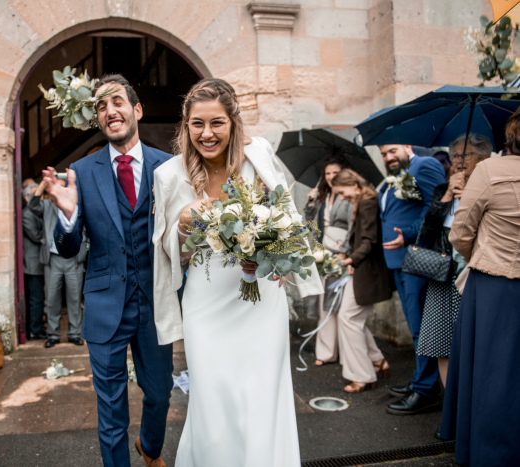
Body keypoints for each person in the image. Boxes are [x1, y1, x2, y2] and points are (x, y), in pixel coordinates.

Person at [153, 78, 323, 466]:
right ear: (185, 125)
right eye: (197, 124)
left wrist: (268, 252)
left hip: (260, 297)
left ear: (233, 123)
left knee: (261, 394)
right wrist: (182, 222)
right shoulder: (168, 175)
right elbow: (169, 256)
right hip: (206, 301)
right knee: (212, 396)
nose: (207, 134)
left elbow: (286, 220)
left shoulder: (258, 156)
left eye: (217, 123)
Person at [43, 74, 174, 467]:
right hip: (104, 305)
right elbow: (68, 249)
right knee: (112, 408)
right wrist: (67, 218)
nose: (109, 111)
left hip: (155, 303)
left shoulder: (168, 167)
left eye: (116, 102)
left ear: (136, 110)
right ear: (97, 119)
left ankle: (149, 449)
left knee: (160, 393)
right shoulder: (81, 171)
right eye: (100, 106)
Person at [439, 114, 520, 466]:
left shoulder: (490, 171)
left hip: (493, 284)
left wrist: (480, 255)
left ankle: (489, 453)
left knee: (491, 371)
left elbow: (459, 233)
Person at [417, 134, 491, 391]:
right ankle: (451, 410)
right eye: (455, 156)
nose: (459, 161)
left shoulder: (488, 188)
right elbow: (426, 231)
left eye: (465, 154)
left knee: (473, 344)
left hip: (473, 274)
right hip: (442, 273)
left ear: (483, 158)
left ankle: (470, 408)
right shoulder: (442, 189)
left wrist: (468, 196)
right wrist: (448, 194)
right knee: (441, 342)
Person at [378, 144, 446, 415]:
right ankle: (420, 380)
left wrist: (407, 233)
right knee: (415, 326)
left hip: (417, 257)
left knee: (422, 327)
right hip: (399, 260)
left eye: (392, 150)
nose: (388, 157)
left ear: (407, 146)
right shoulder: (400, 174)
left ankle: (426, 391)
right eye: (383, 154)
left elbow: (437, 205)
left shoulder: (424, 165)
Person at [330, 169, 391, 392]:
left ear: (354, 184)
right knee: (351, 318)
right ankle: (376, 360)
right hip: (361, 268)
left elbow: (369, 241)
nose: (342, 198)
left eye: (342, 192)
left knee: (348, 317)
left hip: (367, 270)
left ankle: (363, 375)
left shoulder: (366, 202)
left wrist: (350, 261)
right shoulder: (364, 199)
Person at [303, 157, 353, 365]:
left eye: (335, 172)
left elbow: (352, 226)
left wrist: (345, 254)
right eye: (328, 173)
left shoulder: (348, 197)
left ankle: (344, 352)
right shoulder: (323, 197)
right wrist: (310, 204)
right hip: (323, 252)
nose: (331, 177)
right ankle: (325, 352)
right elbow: (308, 224)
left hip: (342, 253)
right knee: (324, 303)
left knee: (341, 304)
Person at [29, 178, 87, 348]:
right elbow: (32, 206)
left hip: (74, 258)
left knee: (74, 298)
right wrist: (43, 184)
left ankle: (74, 333)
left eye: (63, 188)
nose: (59, 192)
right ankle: (53, 335)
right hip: (53, 259)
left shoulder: (77, 206)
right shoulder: (47, 206)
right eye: (56, 188)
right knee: (52, 298)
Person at [22, 183, 46, 340]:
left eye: (41, 195)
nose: (40, 198)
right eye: (35, 195)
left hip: (38, 262)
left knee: (38, 298)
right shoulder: (27, 215)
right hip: (33, 264)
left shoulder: (35, 213)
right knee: (36, 299)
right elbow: (37, 236)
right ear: (26, 197)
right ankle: (34, 330)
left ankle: (36, 327)